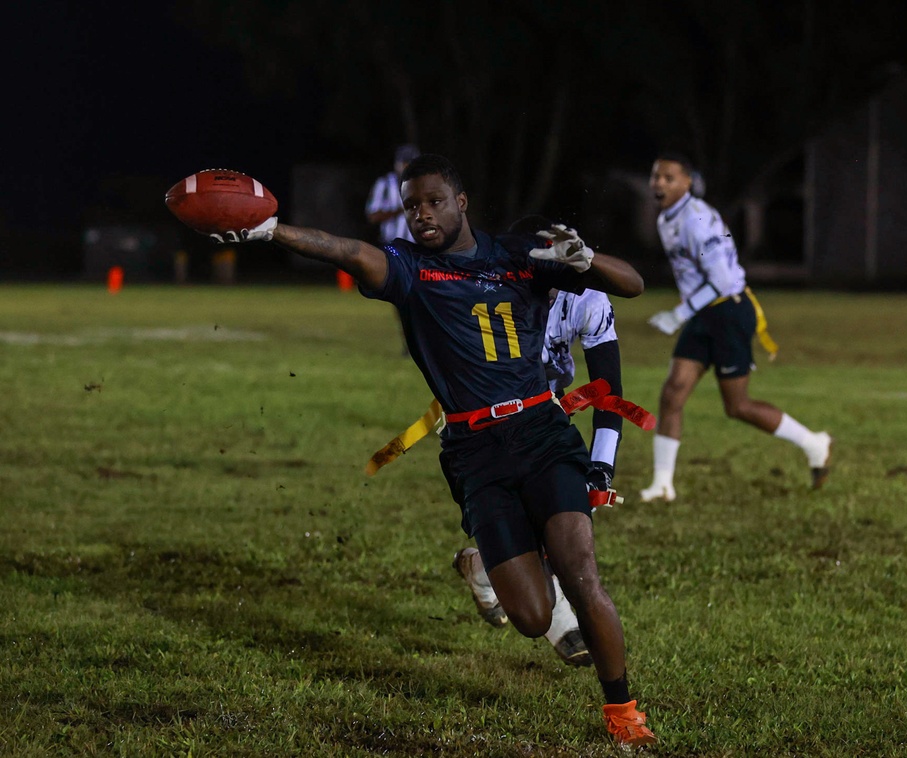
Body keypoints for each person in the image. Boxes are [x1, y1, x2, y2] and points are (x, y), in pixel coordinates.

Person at [209, 154, 656, 748]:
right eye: (411, 205)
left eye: (433, 202)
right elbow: (347, 251)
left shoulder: (517, 256)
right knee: (532, 617)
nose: (421, 215)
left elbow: (632, 285)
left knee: (581, 573)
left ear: (461, 202)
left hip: (543, 434)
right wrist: (270, 230)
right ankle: (481, 565)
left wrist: (588, 259)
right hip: (476, 453)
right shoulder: (409, 268)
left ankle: (623, 711)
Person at [453, 216, 627, 669]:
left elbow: (608, 386)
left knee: (567, 512)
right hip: (488, 413)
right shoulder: (488, 286)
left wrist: (602, 464)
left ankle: (490, 570)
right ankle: (556, 615)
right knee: (529, 510)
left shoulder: (586, 296)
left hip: (548, 409)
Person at [641, 151, 831, 503]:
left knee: (737, 406)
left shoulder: (697, 219)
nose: (659, 184)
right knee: (673, 392)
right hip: (704, 313)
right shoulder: (669, 218)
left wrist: (679, 314)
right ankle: (662, 484)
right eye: (656, 177)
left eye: (669, 178)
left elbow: (723, 280)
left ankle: (813, 443)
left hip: (729, 310)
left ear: (687, 182)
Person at [365, 144, 420, 352]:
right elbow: (373, 215)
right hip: (395, 247)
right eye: (405, 163)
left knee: (422, 293)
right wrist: (401, 209)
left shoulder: (424, 182)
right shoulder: (385, 184)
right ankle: (410, 340)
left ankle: (421, 338)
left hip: (420, 246)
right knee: (402, 295)